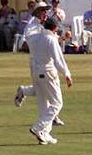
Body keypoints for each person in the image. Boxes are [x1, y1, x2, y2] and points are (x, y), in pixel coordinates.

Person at [18, 17, 72, 145]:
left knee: (44, 106)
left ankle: (45, 134)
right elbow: (58, 60)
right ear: (55, 28)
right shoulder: (51, 39)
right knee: (57, 103)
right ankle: (39, 127)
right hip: (48, 73)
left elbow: (28, 39)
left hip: (36, 72)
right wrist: (67, 74)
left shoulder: (36, 37)